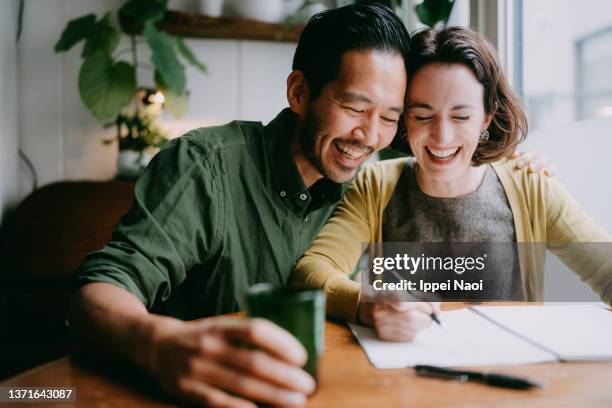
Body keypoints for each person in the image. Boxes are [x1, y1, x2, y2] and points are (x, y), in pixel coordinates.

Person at [70, 4, 410, 407]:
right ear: (299, 92)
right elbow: (97, 290)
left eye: (389, 117)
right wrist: (158, 345)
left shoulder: (364, 193)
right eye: (354, 107)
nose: (370, 136)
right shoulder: (205, 166)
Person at [291, 26, 612, 343]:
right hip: (405, 377)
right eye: (423, 116)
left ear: (486, 117)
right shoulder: (376, 185)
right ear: (404, 121)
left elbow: (605, 271)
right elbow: (312, 271)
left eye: (460, 117)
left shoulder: (530, 184)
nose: (442, 137)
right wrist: (368, 302)